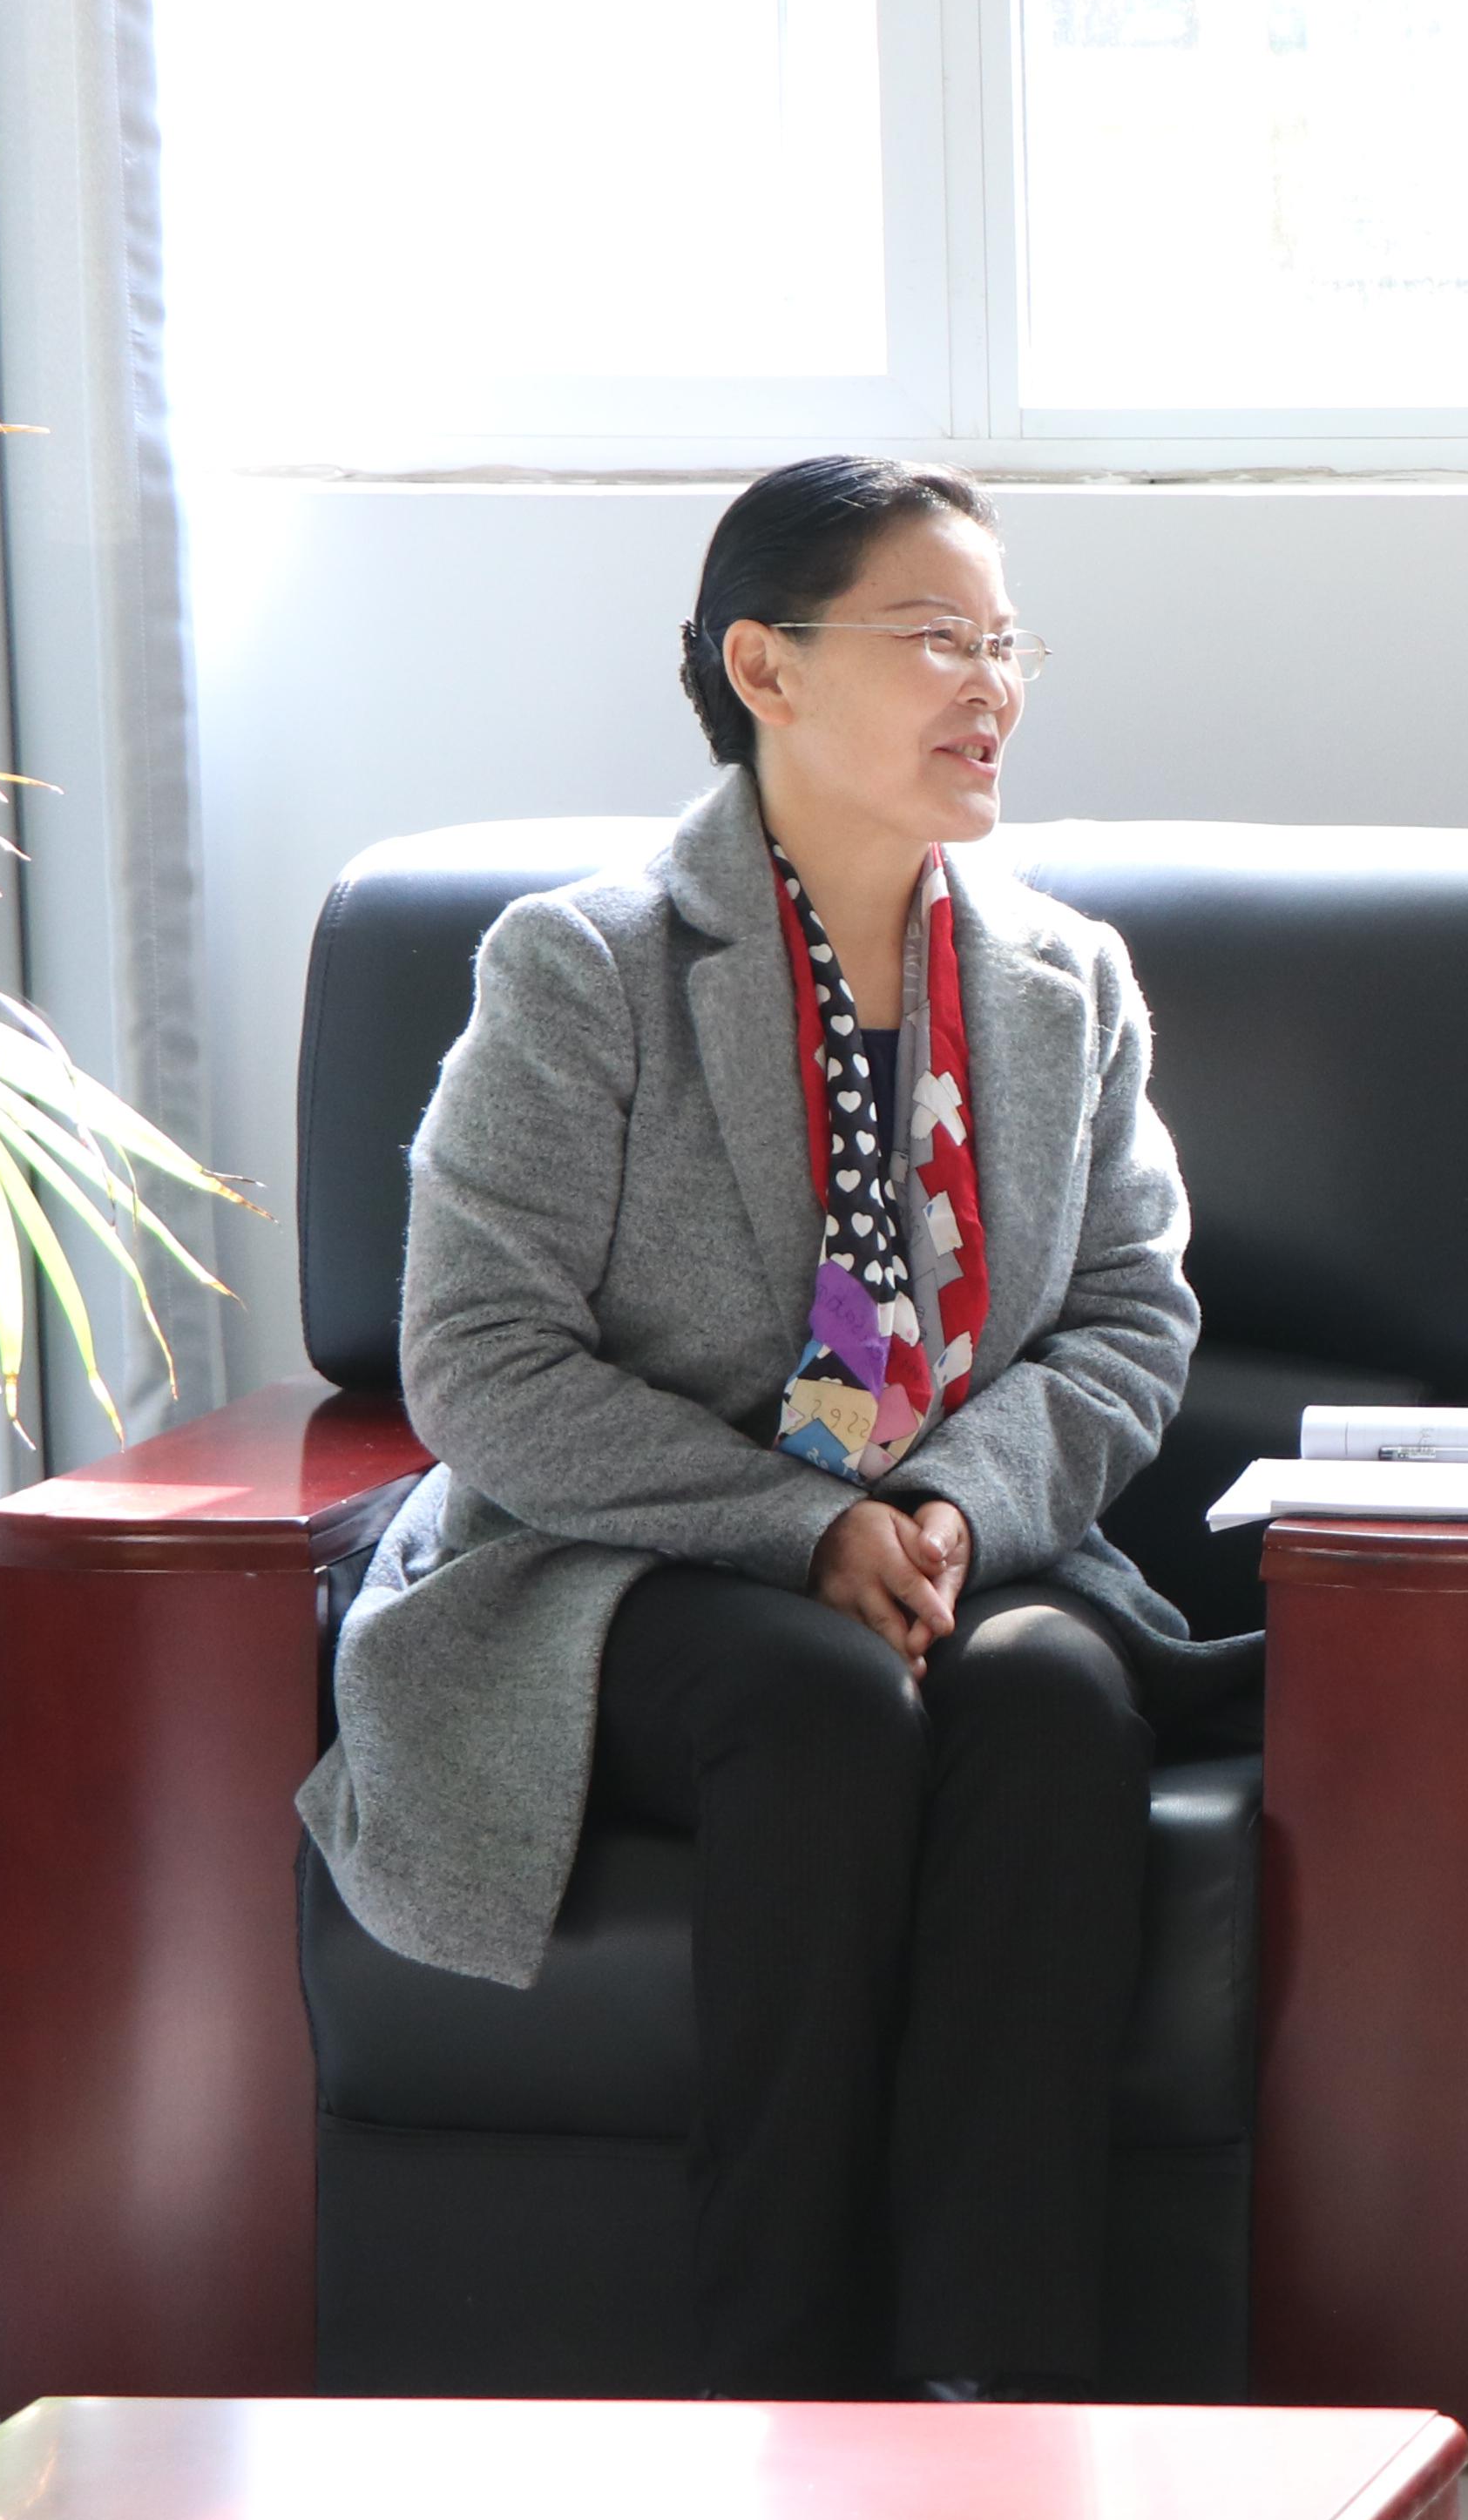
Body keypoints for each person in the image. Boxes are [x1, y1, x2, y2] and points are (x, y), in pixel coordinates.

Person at [301, 454, 1246, 2401]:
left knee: (1054, 1697)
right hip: (621, 1563)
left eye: (1008, 642)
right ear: (765, 666)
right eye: (935, 635)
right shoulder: (585, 968)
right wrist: (801, 1531)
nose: (990, 684)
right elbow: (476, 1359)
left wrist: (956, 1514)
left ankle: (999, 2387)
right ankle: (781, 2391)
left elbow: (1131, 1316)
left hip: (967, 1542)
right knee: (817, 1698)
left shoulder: (1063, 983)